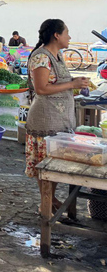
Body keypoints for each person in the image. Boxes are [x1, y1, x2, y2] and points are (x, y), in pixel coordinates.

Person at [25, 19, 89, 217]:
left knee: (54, 165)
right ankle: (45, 205)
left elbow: (58, 82)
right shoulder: (41, 57)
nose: (69, 37)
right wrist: (71, 85)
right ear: (56, 35)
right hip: (45, 121)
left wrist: (76, 84)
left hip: (60, 120)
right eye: (67, 33)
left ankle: (50, 200)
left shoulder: (58, 55)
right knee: (45, 166)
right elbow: (42, 88)